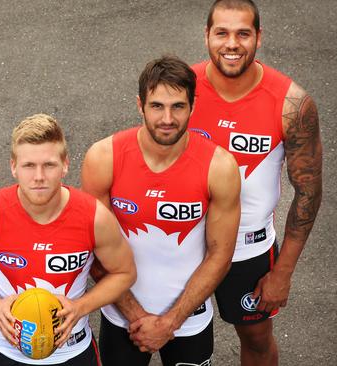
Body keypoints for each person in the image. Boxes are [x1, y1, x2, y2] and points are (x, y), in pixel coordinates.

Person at [81, 56, 241, 366]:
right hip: (121, 318)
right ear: (140, 105)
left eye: (178, 106)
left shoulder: (219, 167)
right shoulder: (104, 158)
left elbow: (220, 255)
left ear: (193, 106)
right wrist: (139, 317)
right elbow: (94, 252)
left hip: (190, 319)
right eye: (157, 106)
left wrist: (171, 321)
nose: (167, 118)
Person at [187, 1, 323, 364]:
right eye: (222, 33)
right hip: (180, 242)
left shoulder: (291, 103)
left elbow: (308, 192)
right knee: (171, 338)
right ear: (206, 36)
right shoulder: (180, 88)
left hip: (247, 250)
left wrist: (283, 272)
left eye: (243, 33)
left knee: (257, 338)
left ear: (258, 37)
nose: (232, 44)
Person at [0, 114, 136, 366]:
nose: (39, 176)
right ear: (13, 166)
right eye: (29, 165)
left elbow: (125, 272)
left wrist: (81, 306)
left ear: (65, 165)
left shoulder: (94, 217)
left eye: (49, 165)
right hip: (7, 351)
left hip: (73, 351)